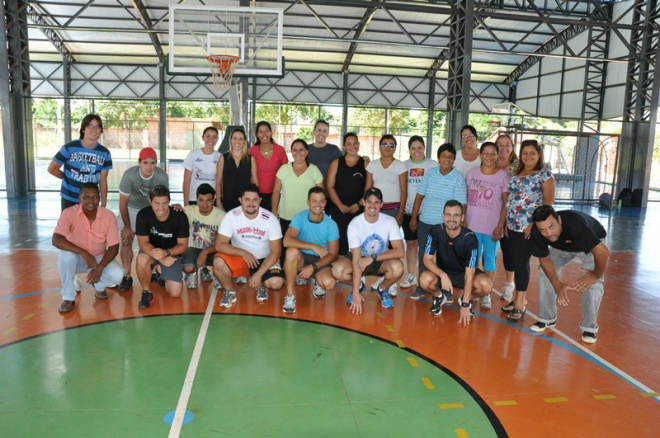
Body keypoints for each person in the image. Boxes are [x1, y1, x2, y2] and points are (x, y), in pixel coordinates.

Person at [530, 205, 609, 343]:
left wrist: (595, 275)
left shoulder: (575, 226)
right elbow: (545, 259)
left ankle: (589, 328)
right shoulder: (536, 232)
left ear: (559, 220)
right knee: (544, 273)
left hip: (589, 245)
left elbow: (603, 252)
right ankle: (547, 319)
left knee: (593, 283)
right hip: (564, 246)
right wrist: (557, 284)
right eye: (543, 230)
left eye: (551, 227)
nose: (548, 233)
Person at [500, 139, 555, 322]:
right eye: (525, 153)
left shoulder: (544, 174)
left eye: (532, 153)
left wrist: (534, 223)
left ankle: (520, 303)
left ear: (539, 154)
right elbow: (511, 197)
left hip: (529, 227)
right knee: (514, 262)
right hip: (512, 224)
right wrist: (507, 221)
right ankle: (516, 298)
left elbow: (548, 202)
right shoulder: (516, 171)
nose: (528, 156)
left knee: (522, 263)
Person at [53, 183, 124, 313]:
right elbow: (56, 239)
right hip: (77, 258)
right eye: (86, 197)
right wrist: (83, 252)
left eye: (95, 197)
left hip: (99, 258)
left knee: (118, 275)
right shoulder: (69, 213)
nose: (91, 201)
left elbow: (114, 246)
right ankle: (68, 297)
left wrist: (100, 268)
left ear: (100, 198)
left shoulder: (109, 216)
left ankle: (99, 286)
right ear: (79, 198)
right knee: (65, 256)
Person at [331, 188, 404, 314]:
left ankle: (382, 289)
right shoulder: (355, 224)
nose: (373, 206)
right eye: (369, 201)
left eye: (376, 202)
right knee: (338, 270)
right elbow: (356, 259)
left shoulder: (389, 221)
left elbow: (400, 251)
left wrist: (373, 257)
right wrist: (355, 293)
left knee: (398, 268)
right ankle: (359, 286)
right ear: (363, 203)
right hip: (359, 258)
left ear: (382, 204)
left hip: (380, 259)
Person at [419, 200, 493, 324]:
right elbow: (427, 259)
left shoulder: (470, 238)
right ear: (443, 216)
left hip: (463, 273)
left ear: (462, 217)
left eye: (456, 215)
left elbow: (469, 274)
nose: (451, 219)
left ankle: (466, 298)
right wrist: (443, 275)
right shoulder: (436, 231)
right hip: (443, 272)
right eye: (448, 214)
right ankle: (438, 297)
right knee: (424, 280)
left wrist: (465, 304)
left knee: (487, 284)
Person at [409, 143, 467, 301]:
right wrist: (414, 218)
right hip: (426, 222)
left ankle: (446, 290)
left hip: (446, 226)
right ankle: (422, 287)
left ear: (454, 159)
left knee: (445, 259)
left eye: (450, 156)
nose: (447, 159)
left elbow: (462, 205)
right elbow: (419, 196)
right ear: (438, 158)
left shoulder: (458, 179)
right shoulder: (430, 174)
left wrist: (460, 225)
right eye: (444, 156)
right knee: (424, 255)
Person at [213, 184, 285, 308]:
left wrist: (259, 274)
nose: (251, 203)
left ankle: (261, 284)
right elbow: (219, 245)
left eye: (255, 200)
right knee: (218, 263)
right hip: (242, 259)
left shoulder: (270, 219)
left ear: (260, 200)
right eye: (247, 199)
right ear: (240, 200)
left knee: (276, 283)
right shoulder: (231, 216)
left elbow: (276, 252)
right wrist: (244, 253)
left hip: (265, 259)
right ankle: (230, 291)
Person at [116, 147, 169, 291]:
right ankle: (127, 275)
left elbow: (163, 201)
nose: (149, 167)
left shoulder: (162, 177)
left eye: (152, 163)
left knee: (156, 239)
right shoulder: (129, 176)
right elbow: (123, 203)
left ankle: (154, 272)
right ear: (139, 162)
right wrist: (127, 227)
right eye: (145, 163)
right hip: (131, 209)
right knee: (126, 239)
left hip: (152, 210)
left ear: (156, 163)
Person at [282, 187, 340, 314]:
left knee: (330, 284)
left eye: (321, 201)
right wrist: (313, 246)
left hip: (319, 260)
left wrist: (313, 267)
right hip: (301, 257)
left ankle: (317, 280)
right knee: (291, 252)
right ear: (308, 202)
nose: (318, 205)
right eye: (314, 201)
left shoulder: (331, 225)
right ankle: (290, 296)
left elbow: (334, 254)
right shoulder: (300, 217)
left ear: (325, 203)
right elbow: (286, 241)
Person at [465, 142, 508, 310]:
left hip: (491, 227)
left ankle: (486, 294)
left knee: (489, 259)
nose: (489, 156)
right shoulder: (472, 173)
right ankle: (475, 289)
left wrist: (500, 225)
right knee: (473, 260)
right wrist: (464, 220)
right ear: (480, 155)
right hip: (472, 225)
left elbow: (505, 204)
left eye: (493, 153)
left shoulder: (503, 176)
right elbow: (466, 198)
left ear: (497, 155)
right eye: (486, 153)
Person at [135, 185, 190, 309]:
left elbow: (183, 246)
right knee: (141, 259)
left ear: (169, 202)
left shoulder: (180, 216)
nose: (161, 208)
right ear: (150, 202)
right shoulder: (143, 215)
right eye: (157, 203)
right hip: (151, 252)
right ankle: (147, 292)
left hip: (171, 254)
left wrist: (166, 253)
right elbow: (143, 243)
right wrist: (160, 258)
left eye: (165, 203)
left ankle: (159, 274)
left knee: (175, 293)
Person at [48, 114, 113, 211]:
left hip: (91, 200)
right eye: (90, 126)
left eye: (97, 127)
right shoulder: (69, 148)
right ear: (83, 129)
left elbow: (103, 179)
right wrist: (68, 178)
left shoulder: (105, 153)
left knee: (90, 226)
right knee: (70, 226)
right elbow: (52, 169)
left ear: (100, 130)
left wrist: (103, 203)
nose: (94, 130)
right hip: (69, 198)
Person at [401, 135, 437, 290]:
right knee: (411, 243)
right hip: (408, 211)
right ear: (409, 150)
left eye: (419, 147)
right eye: (413, 148)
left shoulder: (433, 165)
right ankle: (411, 275)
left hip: (428, 214)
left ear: (424, 148)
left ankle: (428, 274)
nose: (417, 151)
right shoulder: (404, 166)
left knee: (427, 246)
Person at [272, 138, 324, 240]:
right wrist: (274, 211)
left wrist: (319, 212)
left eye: (301, 150)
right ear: (291, 152)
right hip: (286, 216)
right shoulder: (284, 169)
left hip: (308, 216)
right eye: (295, 150)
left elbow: (321, 194)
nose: (298, 153)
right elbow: (276, 191)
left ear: (307, 152)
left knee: (306, 247)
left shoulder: (314, 170)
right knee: (286, 248)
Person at [326, 132, 367, 255]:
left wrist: (359, 205)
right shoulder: (336, 163)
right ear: (344, 146)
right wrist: (340, 206)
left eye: (355, 143)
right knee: (342, 242)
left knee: (358, 242)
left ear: (359, 145)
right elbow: (330, 186)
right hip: (339, 210)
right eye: (349, 144)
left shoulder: (365, 163)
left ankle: (359, 270)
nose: (352, 146)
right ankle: (341, 270)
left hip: (359, 210)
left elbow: (368, 188)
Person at [182, 184, 226, 289]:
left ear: (214, 200)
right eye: (201, 200)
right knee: (188, 267)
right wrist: (176, 207)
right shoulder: (189, 211)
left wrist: (205, 252)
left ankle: (215, 273)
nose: (204, 204)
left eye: (208, 200)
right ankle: (193, 273)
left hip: (213, 249)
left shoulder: (221, 216)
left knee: (221, 263)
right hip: (193, 248)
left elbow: (222, 243)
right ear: (196, 200)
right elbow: (169, 213)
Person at [365, 134, 407, 226]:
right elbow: (367, 189)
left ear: (395, 148)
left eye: (391, 145)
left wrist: (400, 213)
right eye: (384, 145)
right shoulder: (372, 165)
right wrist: (366, 209)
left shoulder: (400, 166)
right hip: (375, 208)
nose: (388, 148)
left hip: (394, 210)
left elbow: (404, 191)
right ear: (379, 147)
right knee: (376, 238)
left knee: (392, 239)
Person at [495, 133, 518, 300]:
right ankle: (485, 282)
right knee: (486, 250)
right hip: (489, 212)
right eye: (500, 145)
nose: (503, 148)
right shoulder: (489, 162)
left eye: (506, 145)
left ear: (512, 147)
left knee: (509, 251)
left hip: (510, 215)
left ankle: (510, 284)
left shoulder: (518, 167)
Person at [248, 121, 288, 211]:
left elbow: (286, 173)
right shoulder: (251, 151)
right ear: (257, 134)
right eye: (260, 131)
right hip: (256, 194)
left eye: (266, 131)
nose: (264, 134)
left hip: (276, 194)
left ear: (271, 133)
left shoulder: (280, 150)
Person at [216, 128, 258, 212]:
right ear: (231, 140)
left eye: (240, 139)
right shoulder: (223, 158)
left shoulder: (250, 159)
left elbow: (255, 182)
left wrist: (255, 201)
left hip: (245, 202)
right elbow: (218, 182)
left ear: (244, 141)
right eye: (235, 138)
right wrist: (218, 202)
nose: (237, 142)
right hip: (227, 201)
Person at [182, 126, 221, 206]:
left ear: (217, 139)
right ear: (203, 138)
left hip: (211, 200)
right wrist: (186, 202)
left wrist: (218, 201)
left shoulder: (220, 157)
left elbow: (220, 182)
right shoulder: (193, 154)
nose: (211, 140)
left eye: (214, 137)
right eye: (208, 136)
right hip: (194, 199)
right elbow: (186, 181)